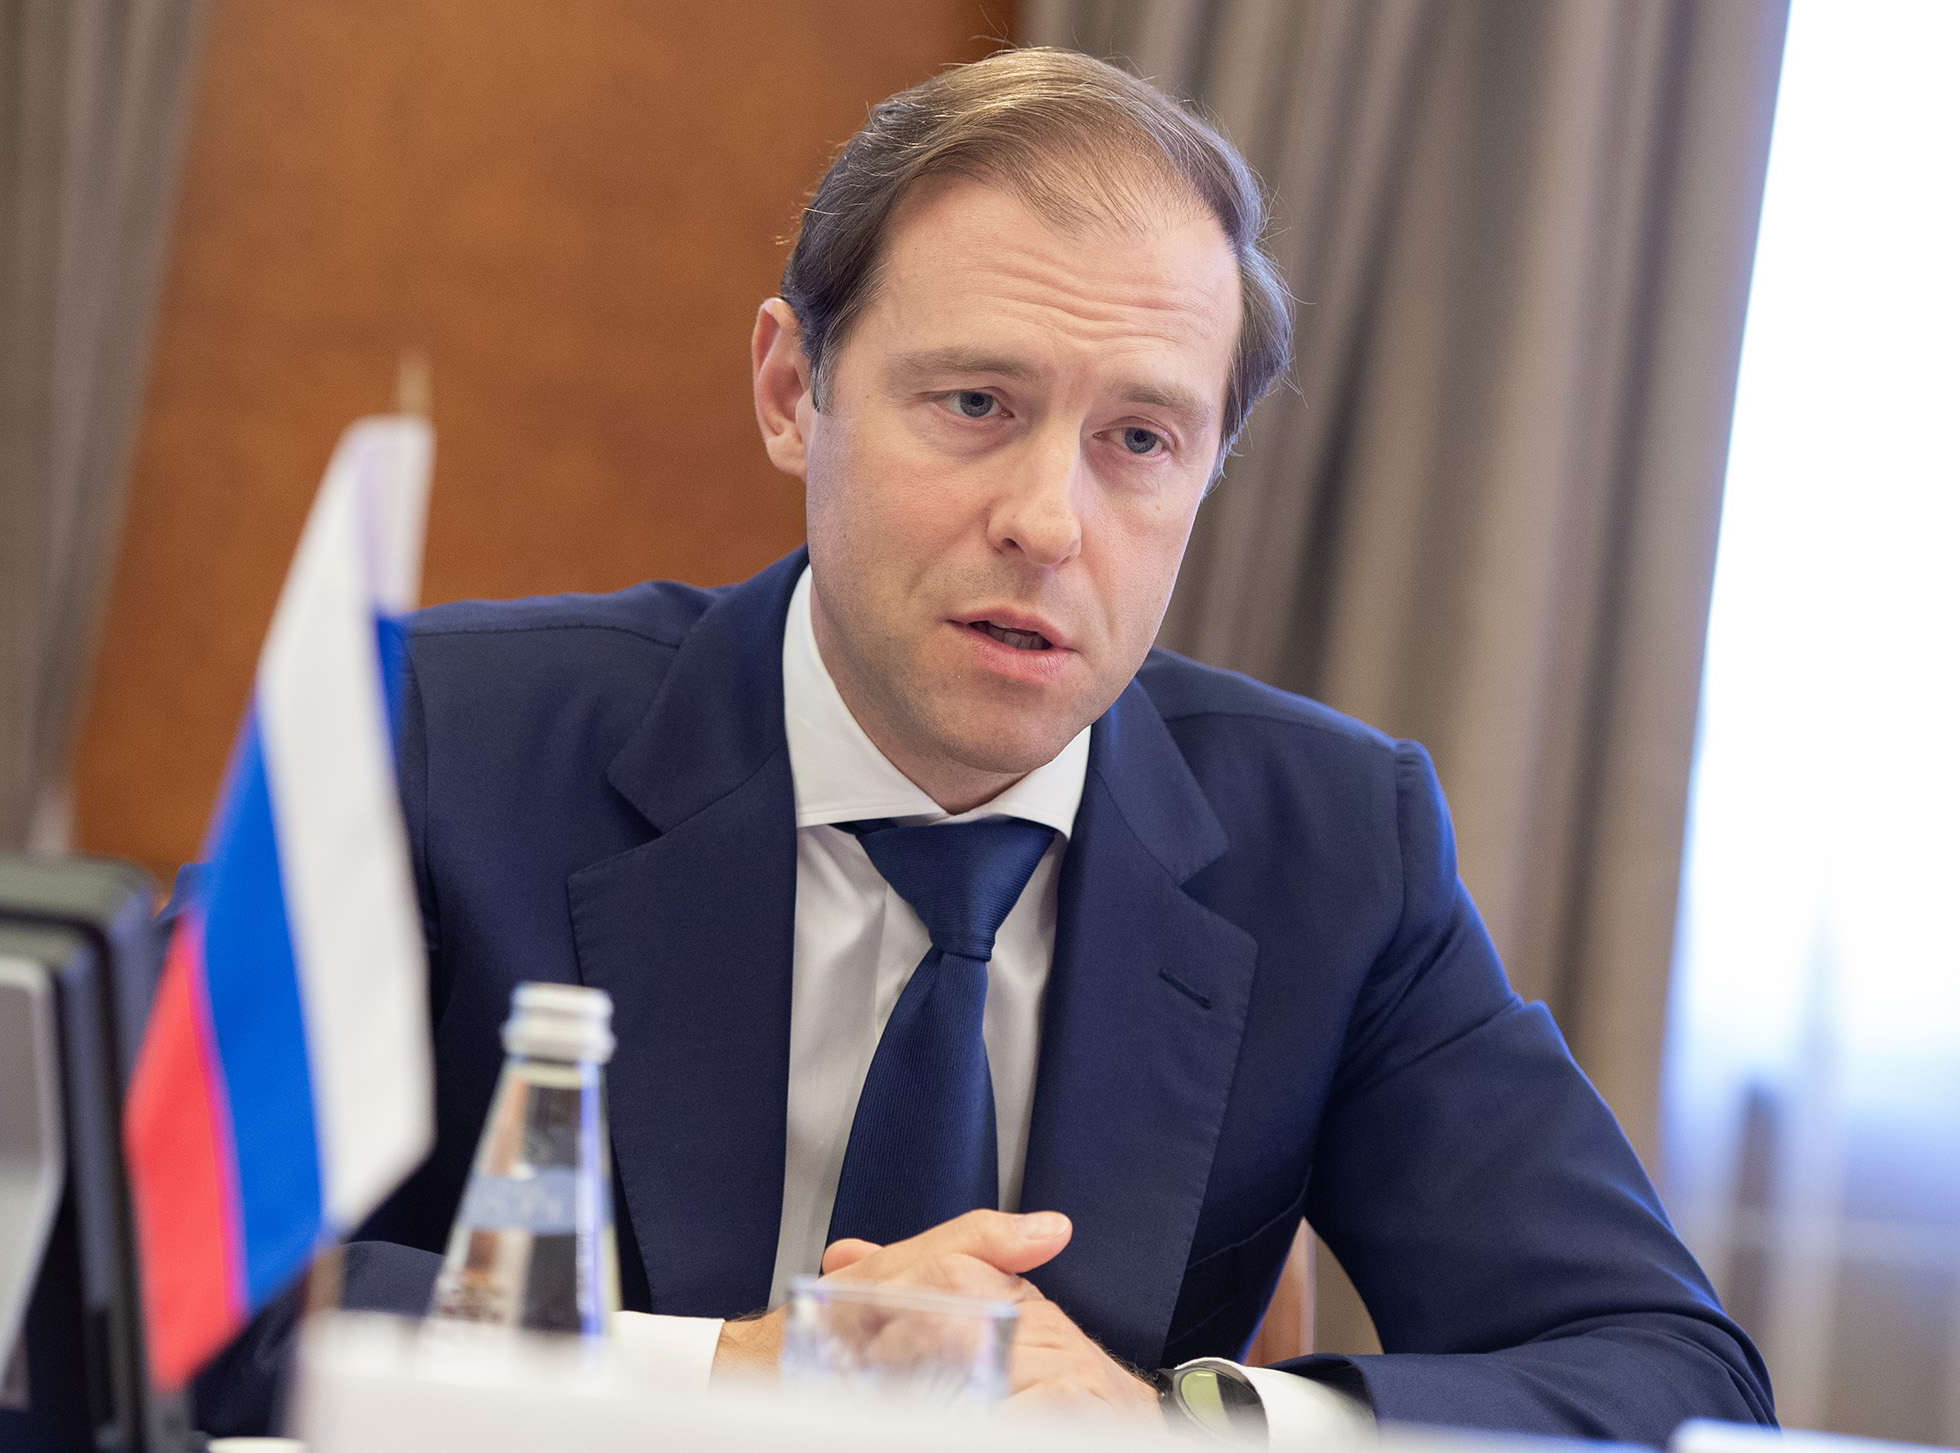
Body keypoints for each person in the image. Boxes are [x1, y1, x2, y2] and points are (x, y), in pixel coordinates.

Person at [192, 47, 1773, 1441]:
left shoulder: (1339, 848)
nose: (1046, 522)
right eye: (974, 403)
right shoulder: (439, 735)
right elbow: (180, 1290)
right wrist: (718, 1373)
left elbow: (1671, 1374)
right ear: (792, 392)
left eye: (1140, 439)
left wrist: (1185, 1420)